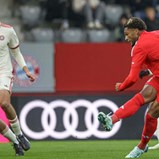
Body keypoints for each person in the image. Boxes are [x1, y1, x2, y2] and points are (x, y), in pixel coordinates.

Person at [98, 17, 159, 158]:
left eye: (127, 34)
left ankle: (141, 147)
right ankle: (111, 119)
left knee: (153, 112)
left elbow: (132, 79)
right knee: (143, 97)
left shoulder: (139, 47)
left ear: (136, 31)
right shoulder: (155, 33)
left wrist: (122, 86)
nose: (126, 38)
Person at [0, 22, 35, 155]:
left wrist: (26, 70)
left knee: (4, 103)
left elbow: (16, 52)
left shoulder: (7, 31)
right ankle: (15, 142)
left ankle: (20, 134)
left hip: (4, 73)